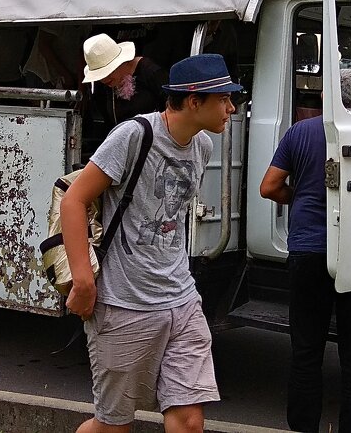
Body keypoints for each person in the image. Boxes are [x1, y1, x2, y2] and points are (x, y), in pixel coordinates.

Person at [60, 53, 240, 433]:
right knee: (113, 426)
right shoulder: (133, 136)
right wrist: (82, 280)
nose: (231, 107)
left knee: (189, 422)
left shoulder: (202, 146)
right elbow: (73, 200)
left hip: (181, 300)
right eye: (223, 98)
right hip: (125, 304)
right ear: (194, 101)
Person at [259, 68, 351, 433]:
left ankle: (303, 427)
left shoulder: (300, 132)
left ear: (328, 96)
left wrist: (299, 198)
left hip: (307, 252)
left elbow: (269, 187)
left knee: (306, 350)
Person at [81, 32, 166, 127]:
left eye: (108, 71)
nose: (104, 79)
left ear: (120, 62)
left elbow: (172, 106)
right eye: (99, 75)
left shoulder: (149, 71)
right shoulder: (104, 85)